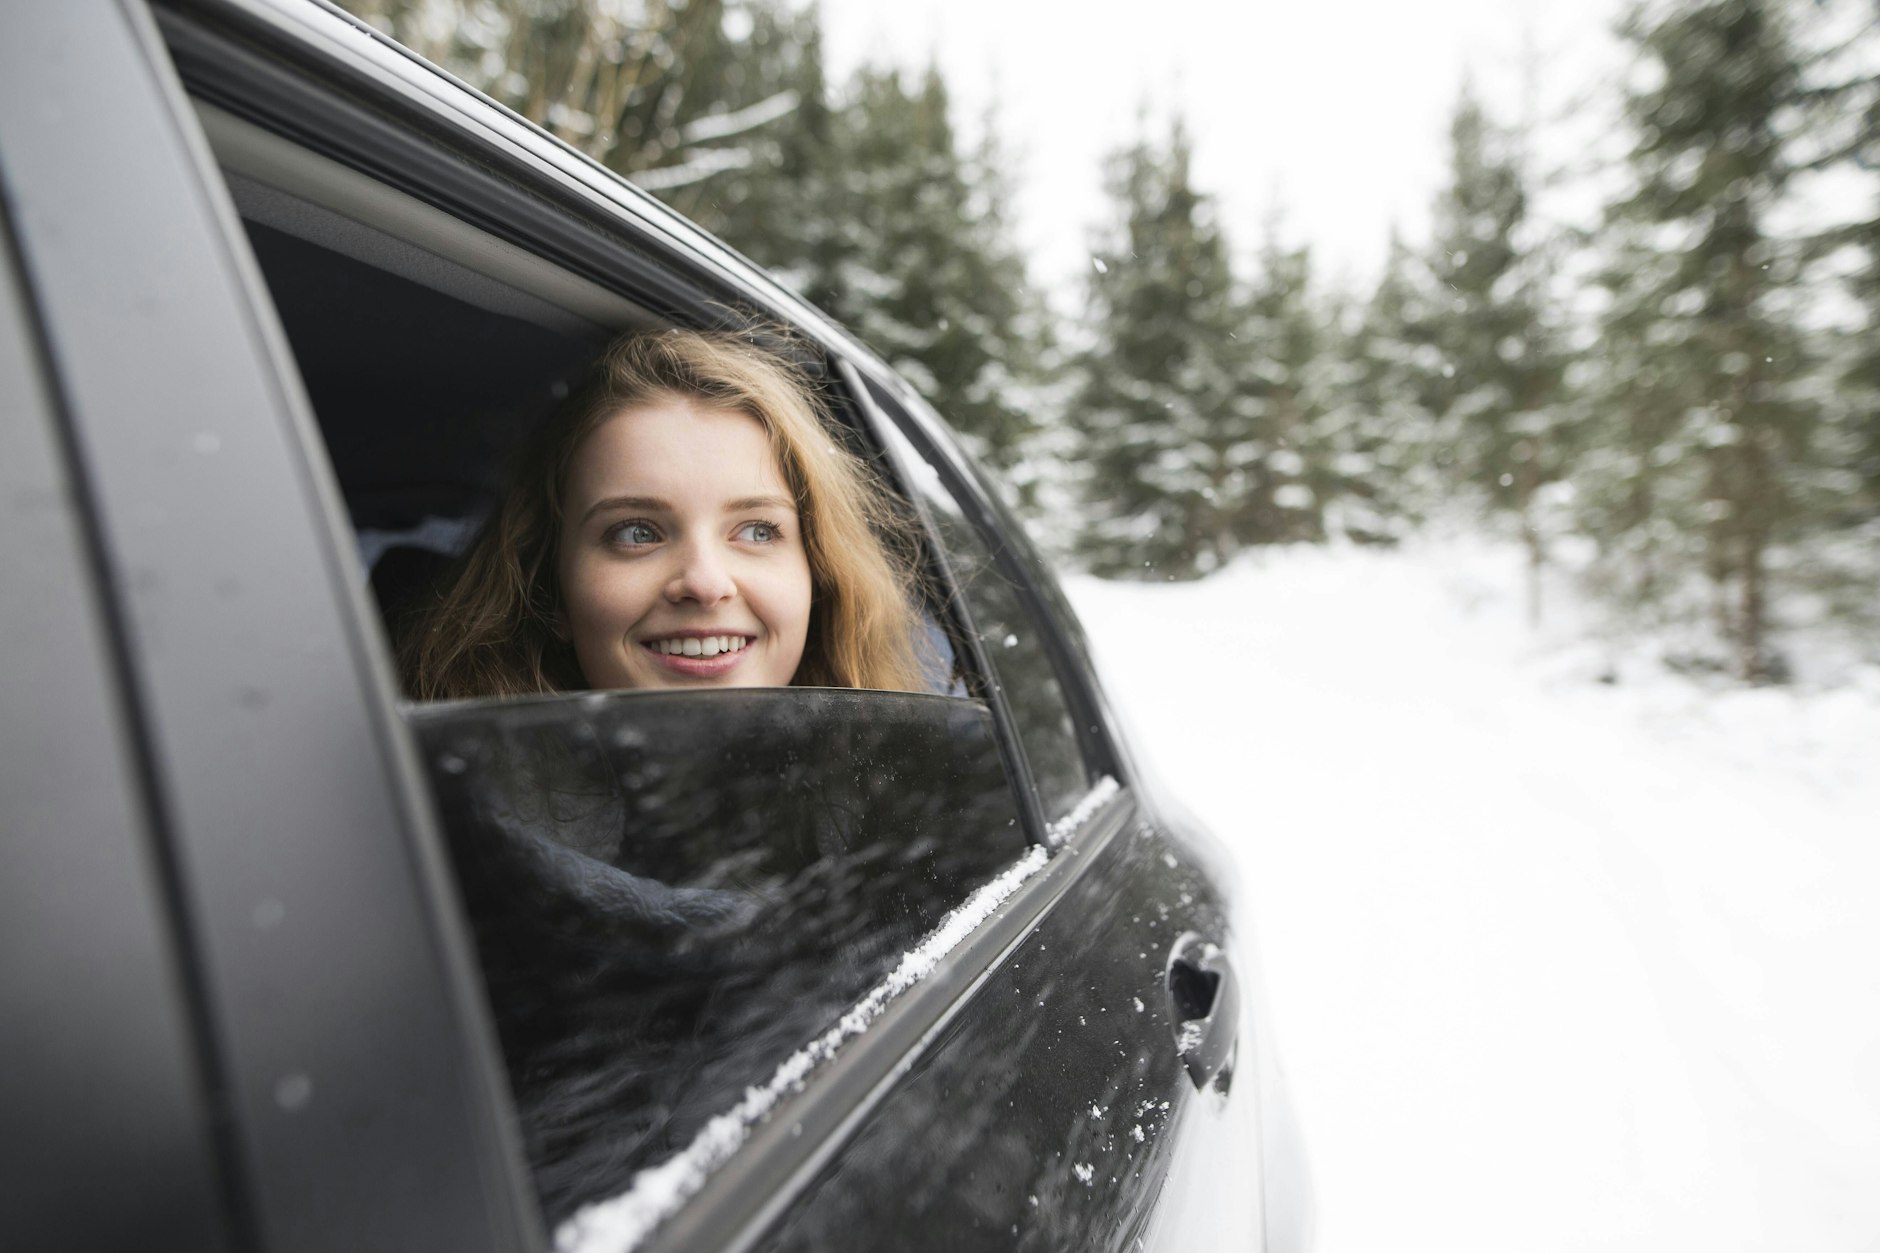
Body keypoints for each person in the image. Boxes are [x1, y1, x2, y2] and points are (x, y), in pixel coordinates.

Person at [401, 326, 930, 699]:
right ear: (548, 591)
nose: (704, 583)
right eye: (636, 532)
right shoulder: (429, 830)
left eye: (757, 530)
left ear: (820, 576)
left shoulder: (912, 803)